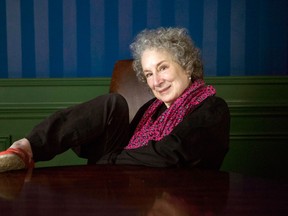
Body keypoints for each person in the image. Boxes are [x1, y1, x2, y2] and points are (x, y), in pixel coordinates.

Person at [0, 27, 230, 173]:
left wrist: (110, 159)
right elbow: (129, 145)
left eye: (163, 68)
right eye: (149, 74)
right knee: (113, 104)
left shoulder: (211, 107)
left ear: (187, 66)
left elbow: (170, 155)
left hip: (173, 189)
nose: (157, 81)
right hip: (126, 175)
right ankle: (25, 149)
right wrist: (107, 152)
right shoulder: (153, 108)